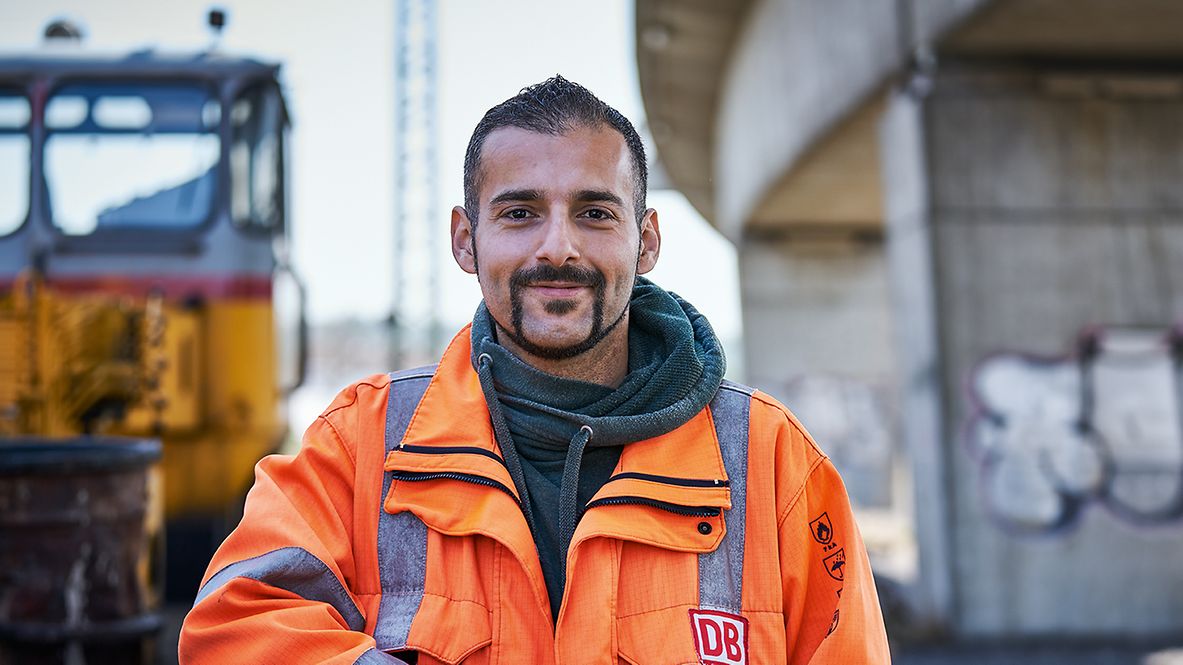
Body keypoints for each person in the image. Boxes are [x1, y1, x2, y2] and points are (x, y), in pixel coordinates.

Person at [179, 76, 890, 664]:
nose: (558, 248)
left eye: (594, 213)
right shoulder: (361, 444)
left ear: (645, 241)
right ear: (466, 240)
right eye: (519, 213)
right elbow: (230, 626)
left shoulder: (771, 463)